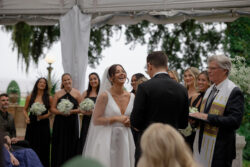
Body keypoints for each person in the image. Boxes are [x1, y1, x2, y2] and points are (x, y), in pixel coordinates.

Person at [130, 51, 189, 165]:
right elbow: (183, 123)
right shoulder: (182, 89)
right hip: (172, 145)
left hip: (148, 145)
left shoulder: (144, 87)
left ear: (149, 66)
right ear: (166, 66)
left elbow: (135, 121)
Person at [190, 55, 244, 167]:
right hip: (202, 145)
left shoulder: (233, 91)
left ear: (225, 70)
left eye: (212, 68)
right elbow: (204, 115)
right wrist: (195, 120)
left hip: (220, 150)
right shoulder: (210, 90)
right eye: (208, 68)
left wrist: (207, 117)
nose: (208, 71)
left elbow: (235, 121)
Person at [83, 64, 135, 167]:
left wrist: (131, 121)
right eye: (117, 72)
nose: (122, 73)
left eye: (123, 71)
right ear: (111, 78)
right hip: (108, 137)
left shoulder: (132, 96)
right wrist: (116, 118)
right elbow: (96, 120)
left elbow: (135, 117)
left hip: (126, 137)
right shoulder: (104, 96)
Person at [51, 73, 82, 167]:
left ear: (71, 80)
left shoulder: (77, 93)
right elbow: (52, 109)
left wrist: (71, 111)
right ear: (62, 82)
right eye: (64, 80)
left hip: (72, 122)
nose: (67, 81)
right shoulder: (58, 93)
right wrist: (61, 112)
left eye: (68, 79)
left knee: (72, 143)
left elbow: (81, 108)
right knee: (60, 143)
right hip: (60, 123)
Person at [23, 78, 52, 167]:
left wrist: (43, 116)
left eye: (44, 83)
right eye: (40, 82)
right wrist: (27, 118)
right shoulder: (30, 96)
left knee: (43, 146)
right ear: (37, 84)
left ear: (46, 86)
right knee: (31, 144)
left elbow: (51, 112)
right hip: (32, 124)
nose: (42, 84)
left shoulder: (49, 98)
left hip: (44, 125)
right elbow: (24, 109)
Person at [77, 72, 100, 154]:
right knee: (86, 140)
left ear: (98, 80)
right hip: (87, 121)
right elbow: (80, 108)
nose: (93, 81)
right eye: (91, 79)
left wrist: (94, 112)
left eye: (95, 79)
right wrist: (85, 112)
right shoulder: (85, 93)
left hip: (98, 122)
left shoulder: (102, 93)